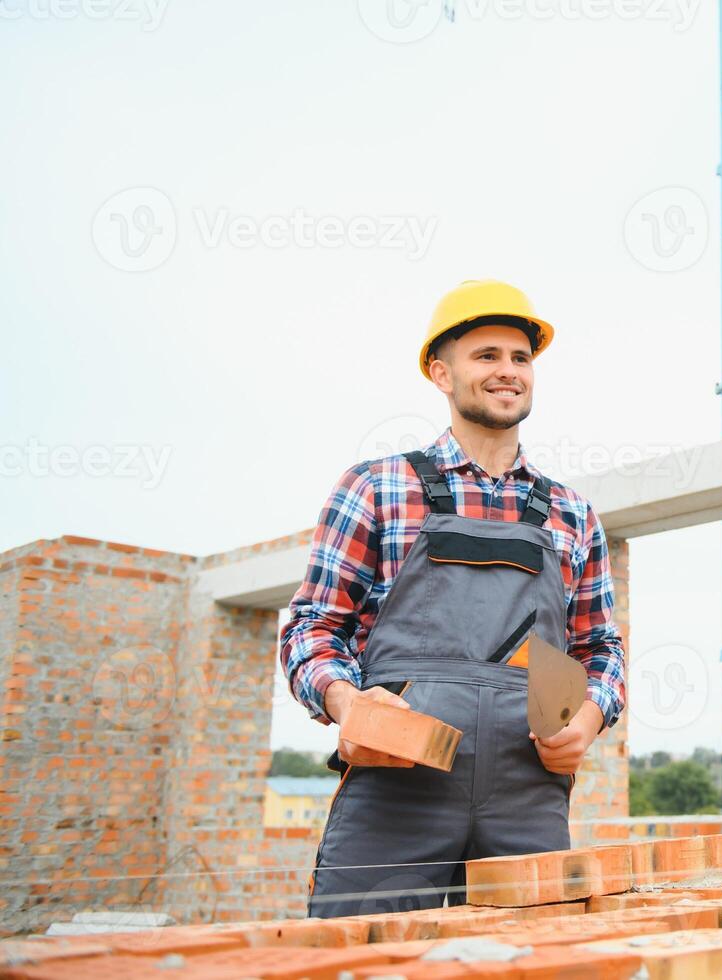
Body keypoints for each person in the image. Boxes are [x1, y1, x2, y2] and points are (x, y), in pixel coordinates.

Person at [279, 279, 627, 917]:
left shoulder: (573, 515)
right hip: (397, 786)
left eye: (521, 358)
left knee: (530, 963)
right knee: (361, 962)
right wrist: (347, 703)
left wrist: (589, 717)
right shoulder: (378, 487)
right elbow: (311, 626)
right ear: (441, 372)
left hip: (528, 793)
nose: (508, 371)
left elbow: (599, 649)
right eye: (486, 355)